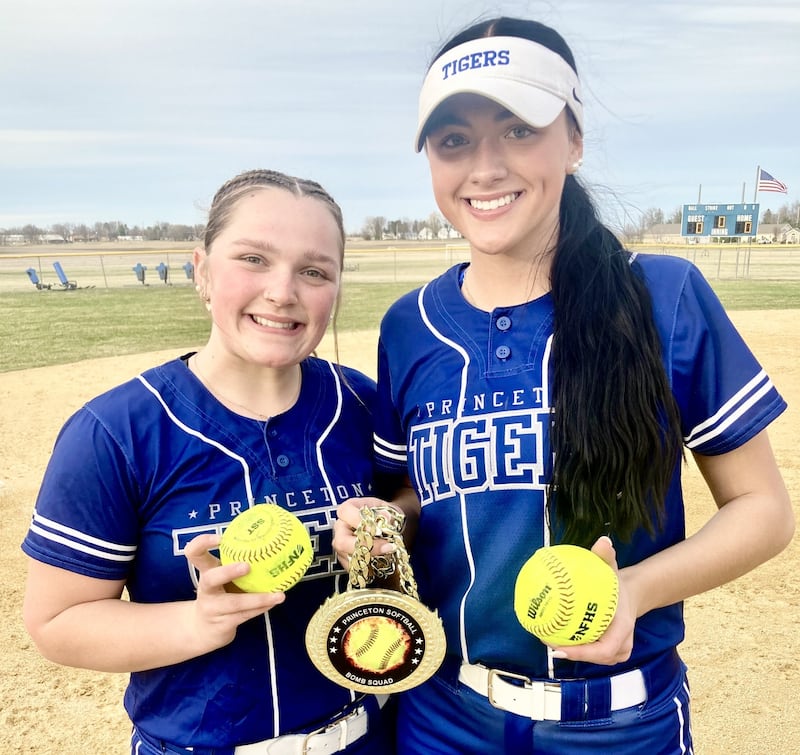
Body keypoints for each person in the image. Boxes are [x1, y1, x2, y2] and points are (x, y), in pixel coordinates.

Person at [332, 17, 795, 754]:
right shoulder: (409, 325)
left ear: (574, 140)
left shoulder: (660, 294)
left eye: (518, 129)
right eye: (454, 140)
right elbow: (413, 494)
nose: (484, 167)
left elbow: (764, 510)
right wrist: (382, 522)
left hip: (619, 725)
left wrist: (634, 592)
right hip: (444, 719)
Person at [21, 169, 394, 754]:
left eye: (314, 270)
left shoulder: (364, 406)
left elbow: (411, 504)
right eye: (253, 259)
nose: (283, 291)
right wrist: (195, 624)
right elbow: (57, 622)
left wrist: (385, 535)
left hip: (367, 739)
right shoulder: (116, 431)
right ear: (201, 270)